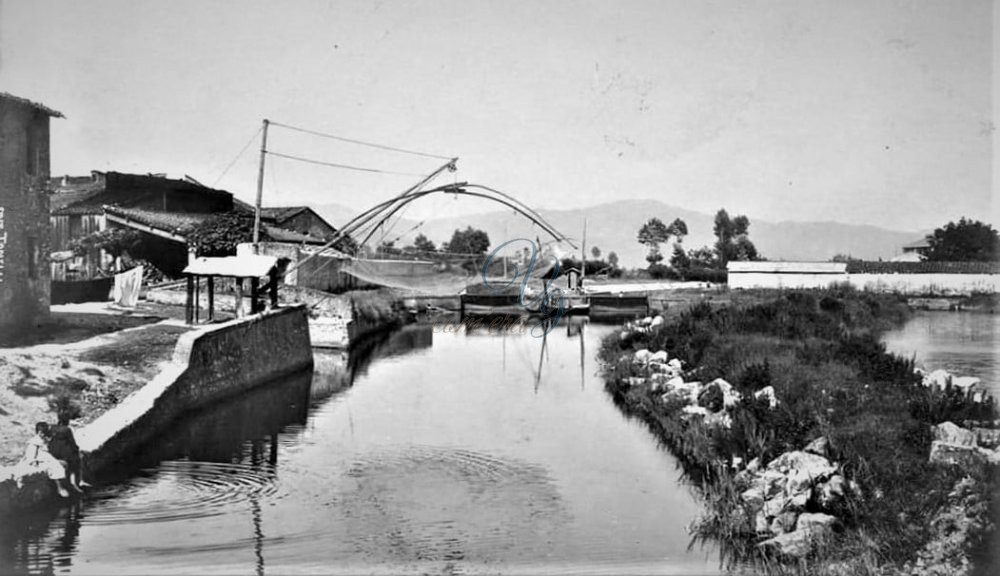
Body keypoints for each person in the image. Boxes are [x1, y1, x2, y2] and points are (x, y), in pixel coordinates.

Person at [14, 422, 71, 497]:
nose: (46, 435)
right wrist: (34, 461)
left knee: (63, 463)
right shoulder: (34, 443)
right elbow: (30, 455)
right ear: (40, 433)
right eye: (45, 433)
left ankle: (66, 485)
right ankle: (59, 488)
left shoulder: (42, 440)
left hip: (46, 458)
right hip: (39, 460)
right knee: (55, 466)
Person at [48, 410, 86, 492]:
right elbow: (72, 442)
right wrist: (77, 450)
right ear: (67, 420)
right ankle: (77, 482)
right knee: (77, 460)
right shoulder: (67, 429)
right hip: (64, 454)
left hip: (53, 451)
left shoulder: (52, 427)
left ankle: (72, 484)